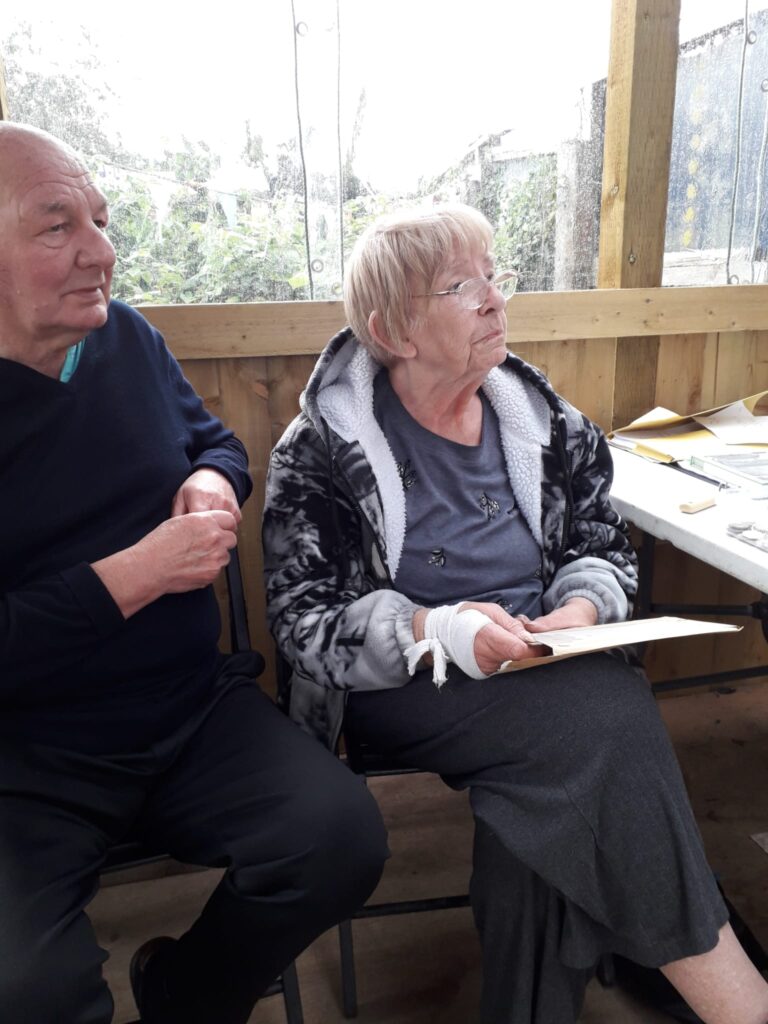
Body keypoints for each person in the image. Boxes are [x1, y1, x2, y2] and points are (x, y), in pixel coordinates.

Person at [262, 203, 768, 1024]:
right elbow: (305, 621)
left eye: (496, 276)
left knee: (546, 781)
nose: (496, 299)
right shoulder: (322, 449)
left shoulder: (542, 420)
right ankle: (728, 991)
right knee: (607, 720)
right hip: (408, 685)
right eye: (463, 286)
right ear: (395, 328)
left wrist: (579, 606)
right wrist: (437, 630)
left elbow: (605, 542)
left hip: (544, 664)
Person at [0, 122, 387, 1024]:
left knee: (340, 839)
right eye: (57, 227)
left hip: (186, 709)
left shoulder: (124, 339)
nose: (102, 249)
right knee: (24, 987)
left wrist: (213, 480)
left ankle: (184, 995)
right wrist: (132, 576)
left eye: (100, 218)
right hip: (25, 754)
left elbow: (210, 438)